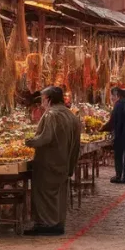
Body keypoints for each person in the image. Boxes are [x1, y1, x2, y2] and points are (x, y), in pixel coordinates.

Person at [24, 86, 81, 236]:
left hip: (49, 162)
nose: (42, 103)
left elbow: (45, 138)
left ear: (48, 99)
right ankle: (58, 223)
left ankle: (47, 224)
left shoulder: (52, 115)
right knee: (59, 194)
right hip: (64, 162)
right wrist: (71, 164)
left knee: (45, 194)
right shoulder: (71, 116)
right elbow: (77, 144)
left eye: (43, 99)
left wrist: (29, 142)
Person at [103, 87, 125, 184]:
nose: (111, 98)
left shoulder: (118, 105)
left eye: (112, 95)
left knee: (119, 156)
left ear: (117, 95)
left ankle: (119, 176)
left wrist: (102, 129)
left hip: (121, 135)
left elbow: (113, 122)